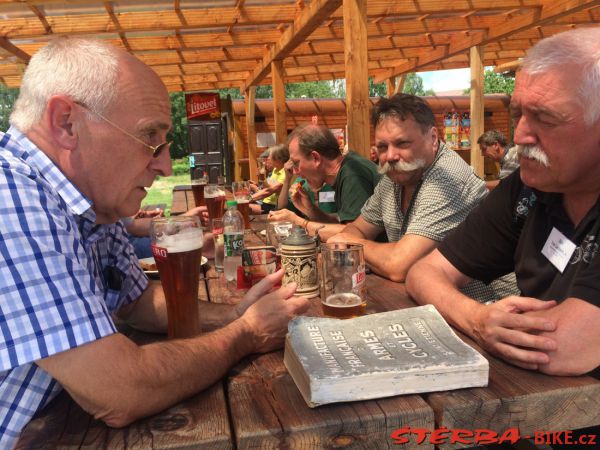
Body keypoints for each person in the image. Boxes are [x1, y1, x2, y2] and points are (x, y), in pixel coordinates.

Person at [0, 37, 310, 448]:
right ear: (66, 123)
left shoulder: (90, 202)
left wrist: (235, 312)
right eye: (150, 137)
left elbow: (138, 303)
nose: (164, 165)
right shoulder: (10, 198)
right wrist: (246, 333)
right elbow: (120, 393)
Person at [406, 27, 600, 379]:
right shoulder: (530, 189)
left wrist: (485, 319)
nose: (521, 135)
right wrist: (478, 318)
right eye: (518, 115)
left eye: (545, 118)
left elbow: (563, 346)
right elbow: (422, 272)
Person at [327, 94, 516, 301]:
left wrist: (351, 243)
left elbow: (398, 265)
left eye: (402, 143)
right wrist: (355, 241)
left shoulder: (448, 177)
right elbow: (359, 228)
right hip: (427, 303)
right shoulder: (395, 176)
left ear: (433, 138)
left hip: (486, 308)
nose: (390, 156)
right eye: (382, 147)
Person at [268, 124, 381, 241]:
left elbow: (353, 236)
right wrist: (310, 209)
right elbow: (343, 225)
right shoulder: (346, 169)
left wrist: (298, 222)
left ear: (315, 158)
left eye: (296, 163)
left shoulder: (353, 174)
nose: (295, 172)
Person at [250, 143, 288, 214]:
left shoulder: (285, 173)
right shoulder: (275, 170)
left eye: (269, 157)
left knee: (245, 208)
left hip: (274, 206)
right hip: (265, 202)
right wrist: (262, 178)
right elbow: (266, 188)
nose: (267, 160)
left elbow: (268, 191)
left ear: (278, 159)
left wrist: (248, 199)